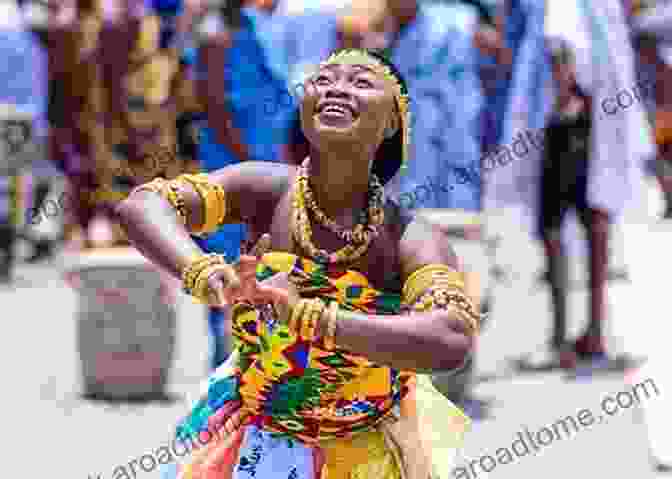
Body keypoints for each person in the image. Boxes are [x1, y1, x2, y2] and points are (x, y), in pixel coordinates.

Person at [118, 48, 479, 479]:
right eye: (324, 79)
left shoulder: (410, 237)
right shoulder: (263, 189)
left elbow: (451, 336)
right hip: (254, 436)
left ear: (389, 125)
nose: (337, 89)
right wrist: (205, 272)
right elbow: (144, 205)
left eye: (362, 83)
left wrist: (313, 318)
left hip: (363, 453)